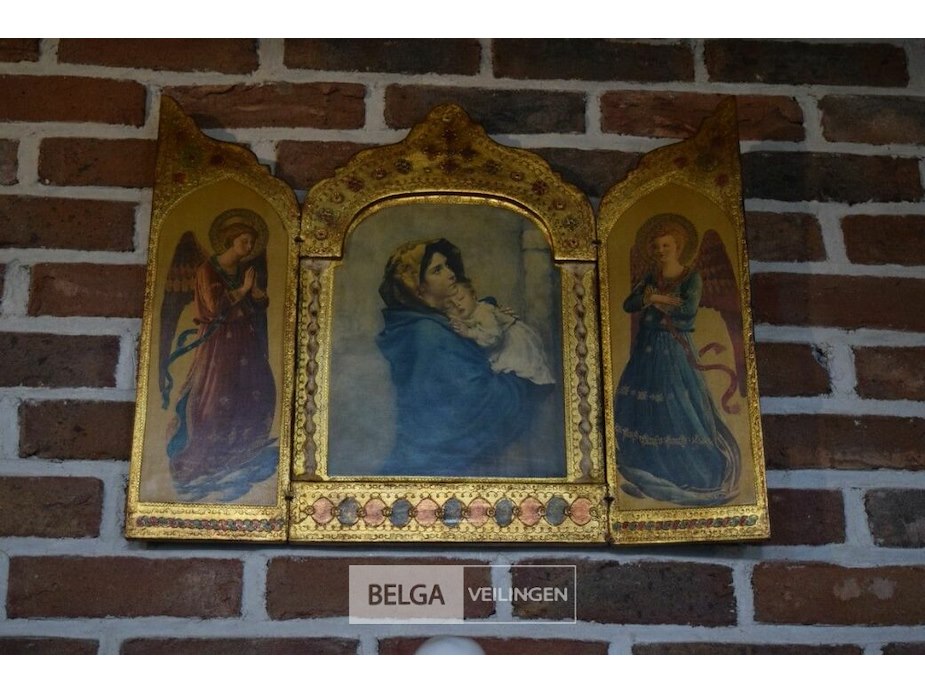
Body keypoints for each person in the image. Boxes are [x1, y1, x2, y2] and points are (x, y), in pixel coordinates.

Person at [376, 238, 544, 476]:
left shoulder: (435, 322)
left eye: (447, 265)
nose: (451, 274)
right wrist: (521, 384)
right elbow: (475, 403)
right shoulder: (429, 334)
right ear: (417, 287)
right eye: (437, 270)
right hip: (436, 467)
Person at [613, 214, 740, 505]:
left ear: (679, 246)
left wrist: (654, 300)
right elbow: (629, 304)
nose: (661, 251)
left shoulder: (690, 277)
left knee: (677, 407)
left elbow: (686, 313)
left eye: (666, 246)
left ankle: (694, 474)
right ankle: (650, 472)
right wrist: (655, 298)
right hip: (646, 349)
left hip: (672, 349)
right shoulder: (651, 277)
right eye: (656, 247)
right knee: (644, 409)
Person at [165, 212, 278, 500]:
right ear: (230, 240)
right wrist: (243, 290)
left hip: (245, 340)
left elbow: (257, 305)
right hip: (219, 343)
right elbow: (215, 308)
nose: (249, 247)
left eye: (251, 242)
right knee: (217, 394)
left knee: (256, 389)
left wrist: (257, 295)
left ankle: (239, 450)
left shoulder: (244, 270)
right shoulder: (208, 269)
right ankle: (205, 457)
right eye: (244, 241)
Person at [444, 280, 554, 386]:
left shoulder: (482, 312)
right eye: (451, 306)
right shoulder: (466, 314)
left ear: (473, 296)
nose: (457, 305)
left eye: (461, 298)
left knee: (521, 368)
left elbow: (493, 337)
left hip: (512, 341)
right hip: (499, 341)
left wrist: (469, 333)